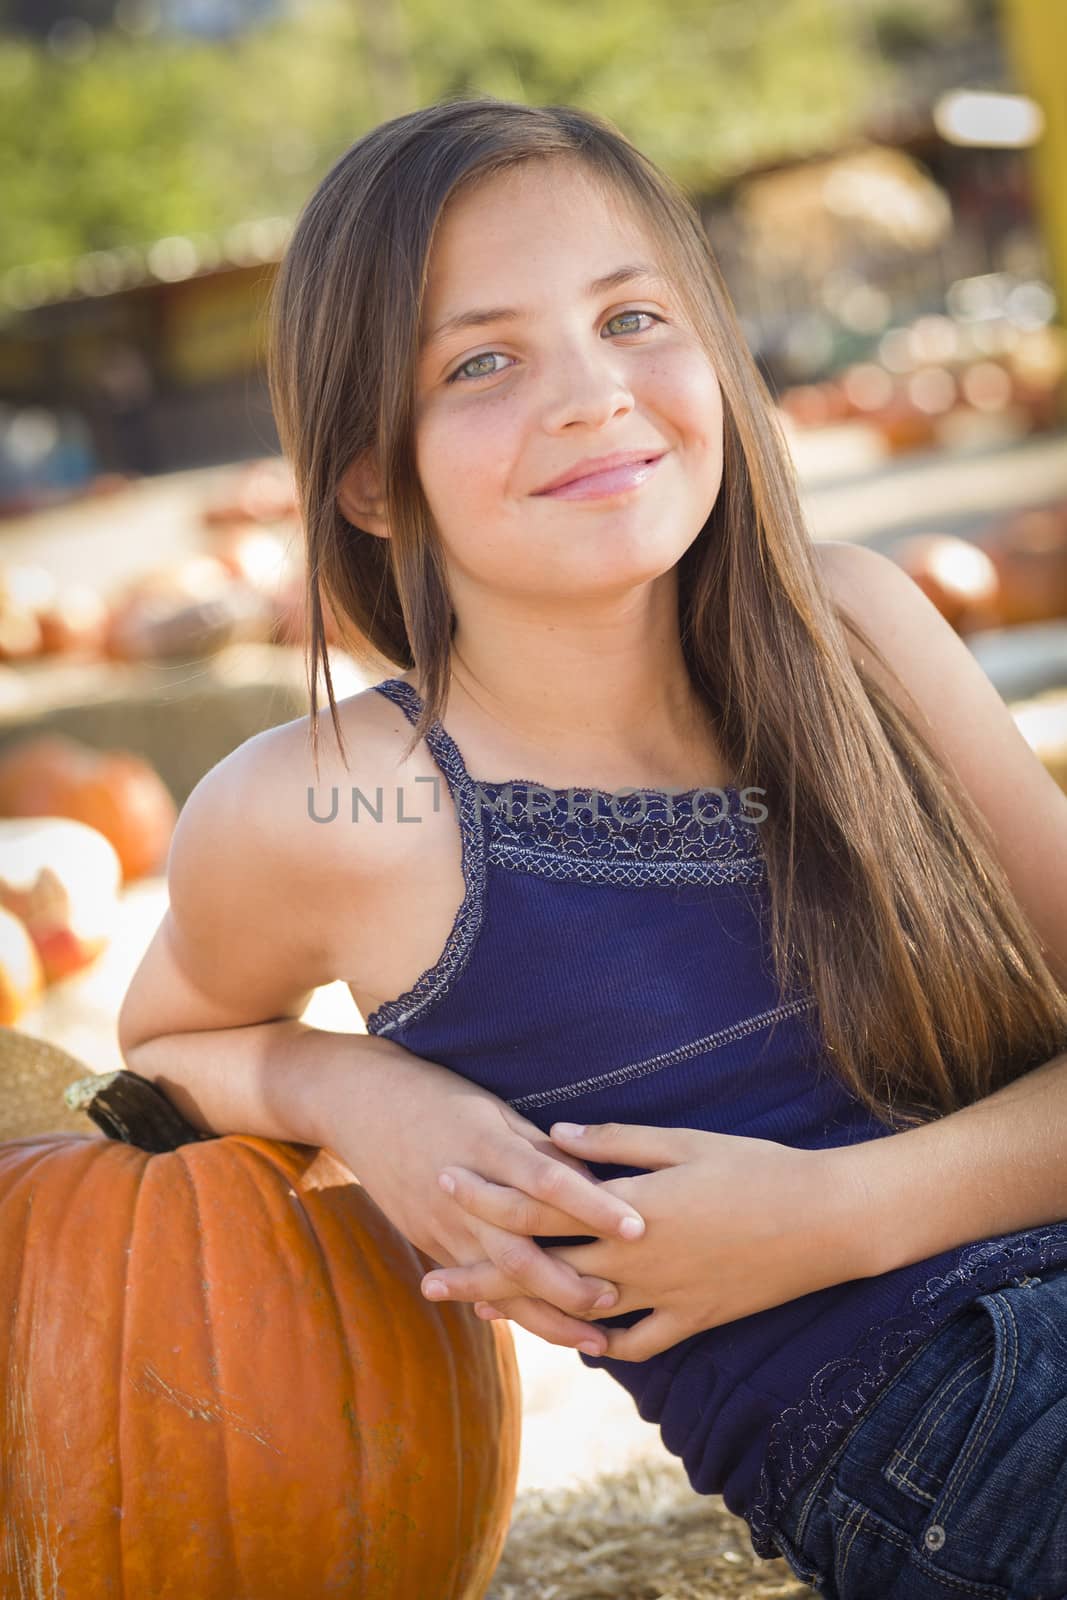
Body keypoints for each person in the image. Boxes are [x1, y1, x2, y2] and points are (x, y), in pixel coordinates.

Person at [118, 96, 1067, 1595]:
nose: (590, 395)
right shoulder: (339, 805)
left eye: (633, 317)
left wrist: (840, 1213)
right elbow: (165, 1043)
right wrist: (349, 1085)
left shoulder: (858, 631)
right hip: (955, 1434)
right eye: (482, 360)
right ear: (371, 476)